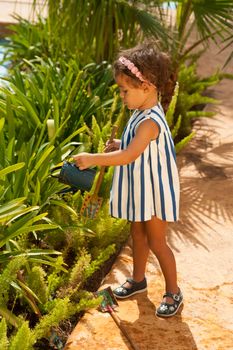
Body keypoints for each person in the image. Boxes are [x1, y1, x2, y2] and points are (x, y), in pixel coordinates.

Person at [73, 41, 183, 317]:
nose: (121, 95)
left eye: (124, 90)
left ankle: (174, 292)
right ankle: (138, 281)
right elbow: (134, 145)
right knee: (137, 234)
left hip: (154, 192)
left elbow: (130, 156)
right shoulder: (139, 113)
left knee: (157, 241)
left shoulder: (150, 121)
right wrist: (121, 141)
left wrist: (93, 158)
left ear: (146, 87)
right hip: (142, 189)